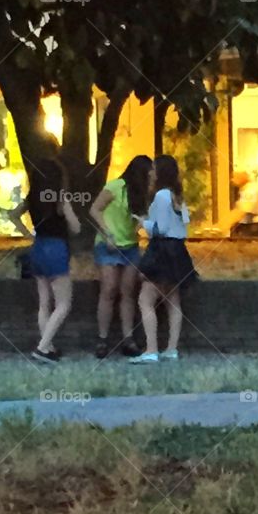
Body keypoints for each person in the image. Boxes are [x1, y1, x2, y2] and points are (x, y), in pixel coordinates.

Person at [131, 155, 196, 364]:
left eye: (154, 169)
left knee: (145, 299)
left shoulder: (160, 196)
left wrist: (143, 223)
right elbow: (183, 223)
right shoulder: (178, 196)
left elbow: (159, 228)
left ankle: (151, 349)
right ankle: (171, 348)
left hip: (161, 249)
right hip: (178, 250)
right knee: (173, 300)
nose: (151, 173)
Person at [89, 155, 153, 358]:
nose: (153, 177)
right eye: (150, 173)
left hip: (130, 246)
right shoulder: (116, 186)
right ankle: (102, 338)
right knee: (108, 289)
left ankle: (128, 339)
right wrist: (108, 233)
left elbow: (141, 219)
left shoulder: (142, 193)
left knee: (128, 292)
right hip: (108, 245)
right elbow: (95, 209)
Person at [25, 156, 81, 364]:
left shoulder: (32, 198)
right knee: (64, 303)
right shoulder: (60, 198)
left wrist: (27, 234)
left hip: (38, 247)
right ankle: (41, 348)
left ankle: (48, 347)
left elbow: (13, 215)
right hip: (56, 249)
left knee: (44, 303)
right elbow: (76, 227)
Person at [228, 169, 258, 237]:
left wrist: (221, 227)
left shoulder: (250, 190)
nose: (232, 180)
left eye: (235, 176)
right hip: (248, 226)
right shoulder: (245, 190)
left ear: (243, 176)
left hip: (253, 227)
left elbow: (241, 211)